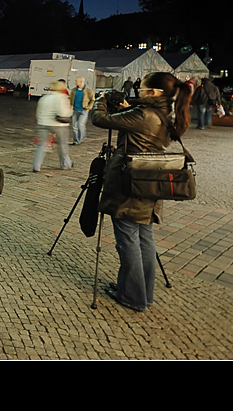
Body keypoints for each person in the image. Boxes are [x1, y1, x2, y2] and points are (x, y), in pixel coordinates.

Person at [91, 72, 192, 312]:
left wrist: (101, 100)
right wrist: (128, 107)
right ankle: (144, 294)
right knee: (145, 238)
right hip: (149, 181)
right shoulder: (164, 114)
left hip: (129, 183)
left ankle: (132, 297)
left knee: (127, 241)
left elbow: (100, 119)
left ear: (154, 92)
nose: (140, 93)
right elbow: (139, 121)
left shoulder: (143, 114)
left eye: (144, 90)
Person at [32, 80, 73, 172]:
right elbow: (63, 112)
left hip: (43, 123)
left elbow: (38, 113)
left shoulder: (44, 98)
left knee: (41, 145)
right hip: (58, 125)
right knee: (62, 145)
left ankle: (36, 165)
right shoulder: (61, 98)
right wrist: (70, 110)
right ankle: (65, 164)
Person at [69, 76, 95, 145]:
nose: (75, 82)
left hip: (83, 110)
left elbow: (92, 100)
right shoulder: (73, 90)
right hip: (75, 110)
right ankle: (76, 140)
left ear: (81, 82)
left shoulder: (88, 91)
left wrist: (89, 107)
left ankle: (81, 139)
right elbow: (71, 99)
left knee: (80, 125)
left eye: (76, 81)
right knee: (74, 126)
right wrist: (71, 105)